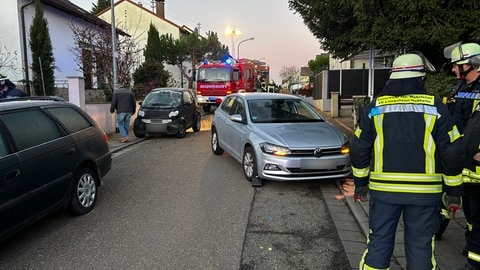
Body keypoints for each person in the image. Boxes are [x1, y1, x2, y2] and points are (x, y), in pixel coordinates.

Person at [351, 53, 465, 269]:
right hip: (424, 194)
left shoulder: (375, 108)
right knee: (421, 247)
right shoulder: (435, 108)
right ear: (420, 78)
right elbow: (452, 152)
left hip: (384, 192)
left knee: (379, 244)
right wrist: (453, 192)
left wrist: (361, 185)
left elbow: (359, 148)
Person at [445, 42, 480, 270]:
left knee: (478, 213)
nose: (454, 69)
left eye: (459, 65)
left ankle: (474, 261)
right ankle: (472, 245)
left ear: (473, 63)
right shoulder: (457, 88)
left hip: (476, 162)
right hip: (461, 160)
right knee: (469, 209)